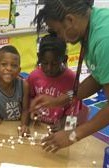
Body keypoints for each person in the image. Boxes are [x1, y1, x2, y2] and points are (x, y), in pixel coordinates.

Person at [30, 0, 109, 152]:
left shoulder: (104, 40)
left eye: (58, 31)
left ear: (70, 20)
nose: (60, 38)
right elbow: (99, 76)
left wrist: (73, 135)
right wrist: (58, 100)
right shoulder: (93, 23)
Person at [27, 34, 88, 131]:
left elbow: (74, 111)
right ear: (39, 57)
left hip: (60, 130)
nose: (49, 68)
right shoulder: (34, 76)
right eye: (45, 63)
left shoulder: (72, 80)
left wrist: (64, 125)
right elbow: (29, 97)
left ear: (64, 59)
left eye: (54, 64)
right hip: (38, 126)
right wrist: (32, 110)